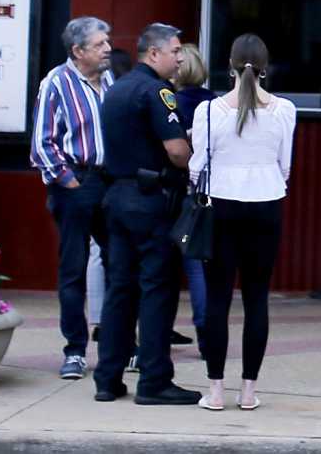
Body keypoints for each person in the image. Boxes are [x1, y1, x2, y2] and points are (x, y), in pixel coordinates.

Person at [93, 23, 196, 407]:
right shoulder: (158, 92)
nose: (180, 57)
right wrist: (191, 155)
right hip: (151, 200)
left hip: (116, 197)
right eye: (175, 50)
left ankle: (108, 378)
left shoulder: (116, 88)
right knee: (157, 289)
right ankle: (154, 380)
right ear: (153, 54)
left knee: (120, 289)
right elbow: (177, 152)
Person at [192, 34, 296, 412]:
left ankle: (216, 391)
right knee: (257, 298)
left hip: (221, 202)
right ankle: (248, 391)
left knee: (218, 299)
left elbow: (197, 166)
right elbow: (285, 164)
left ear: (230, 65)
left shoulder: (208, 110)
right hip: (267, 201)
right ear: (265, 68)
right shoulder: (285, 109)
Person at [31, 16, 116, 380]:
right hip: (76, 183)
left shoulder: (109, 80)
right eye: (100, 44)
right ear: (78, 51)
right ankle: (75, 350)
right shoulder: (56, 82)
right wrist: (68, 182)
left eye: (107, 41)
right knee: (73, 269)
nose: (108, 48)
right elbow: (41, 142)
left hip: (109, 182)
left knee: (119, 263)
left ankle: (118, 345)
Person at [172, 43, 214, 343]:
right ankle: (206, 331)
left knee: (170, 264)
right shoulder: (215, 103)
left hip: (179, 189)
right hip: (209, 191)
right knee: (199, 264)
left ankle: (161, 327)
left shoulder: (173, 103)